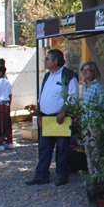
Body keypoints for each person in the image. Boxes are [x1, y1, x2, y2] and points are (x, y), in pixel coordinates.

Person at [29, 49, 78, 186]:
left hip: (60, 118)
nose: (45, 61)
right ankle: (41, 175)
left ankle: (62, 175)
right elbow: (41, 96)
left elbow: (73, 96)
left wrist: (64, 111)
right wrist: (39, 114)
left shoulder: (68, 76)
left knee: (62, 148)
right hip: (46, 117)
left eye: (47, 59)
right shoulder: (47, 76)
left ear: (55, 61)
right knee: (44, 148)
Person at [78, 60, 104, 175]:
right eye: (83, 70)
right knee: (87, 149)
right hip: (85, 122)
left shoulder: (98, 86)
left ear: (93, 72)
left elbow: (103, 105)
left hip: (95, 123)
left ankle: (98, 175)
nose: (84, 73)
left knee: (95, 149)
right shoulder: (84, 87)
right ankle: (91, 174)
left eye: (87, 70)